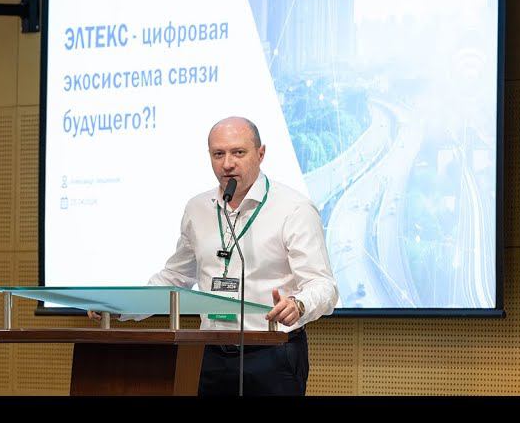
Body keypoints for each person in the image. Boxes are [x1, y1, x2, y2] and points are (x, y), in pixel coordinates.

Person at [89, 116, 338, 396]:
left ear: (261, 154)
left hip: (273, 354)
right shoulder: (198, 209)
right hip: (210, 354)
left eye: (238, 152)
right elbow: (174, 278)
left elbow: (323, 285)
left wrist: (299, 304)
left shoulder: (293, 208)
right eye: (218, 154)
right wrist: (121, 307)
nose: (227, 164)